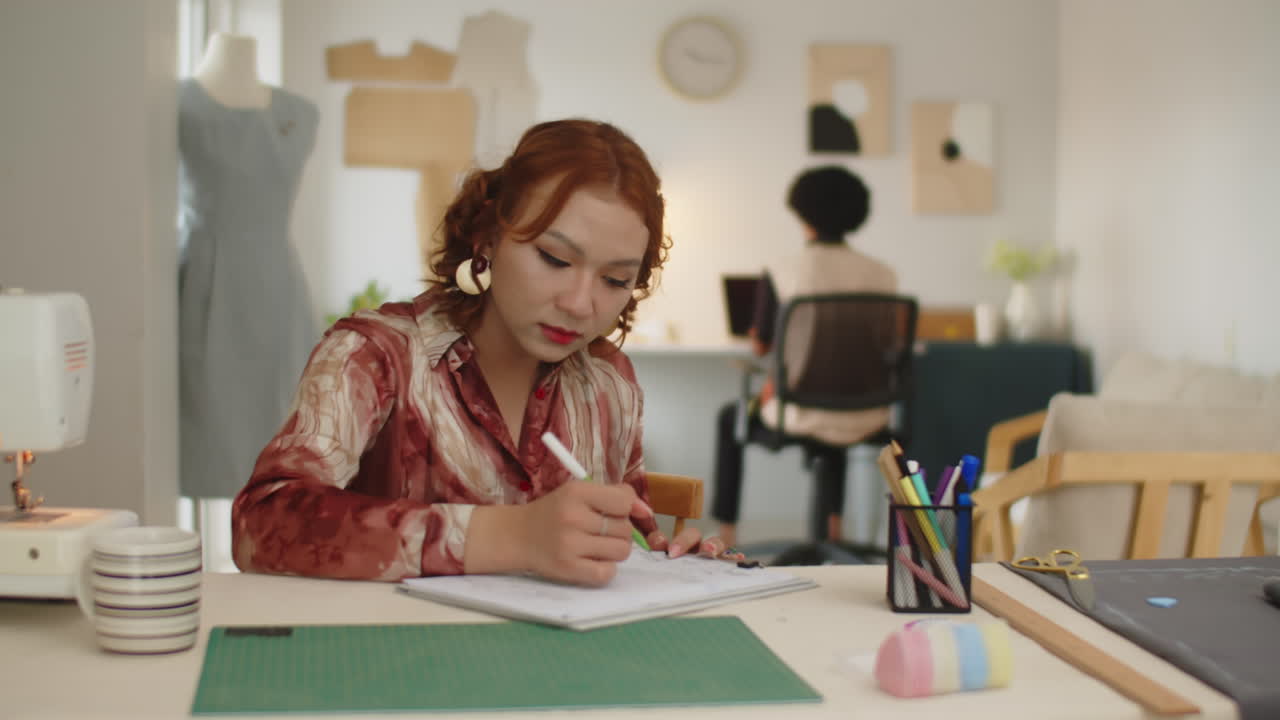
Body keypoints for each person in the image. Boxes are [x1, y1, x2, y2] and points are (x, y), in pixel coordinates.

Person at [231, 119, 738, 587]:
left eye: (615, 280)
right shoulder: (377, 356)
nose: (582, 304)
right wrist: (513, 536)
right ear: (488, 237)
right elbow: (262, 524)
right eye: (555, 258)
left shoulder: (609, 382)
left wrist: (667, 563)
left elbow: (622, 537)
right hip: (392, 664)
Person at [712, 166, 897, 549]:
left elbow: (760, 347)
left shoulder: (783, 270)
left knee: (730, 417)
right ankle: (833, 535)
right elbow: (885, 347)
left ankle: (725, 535)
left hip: (800, 411)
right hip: (867, 413)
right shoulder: (883, 274)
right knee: (836, 425)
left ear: (802, 214)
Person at [179, 32, 319, 501]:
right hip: (206, 284)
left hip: (277, 286)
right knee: (207, 424)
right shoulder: (178, 105)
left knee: (280, 423)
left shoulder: (300, 112)